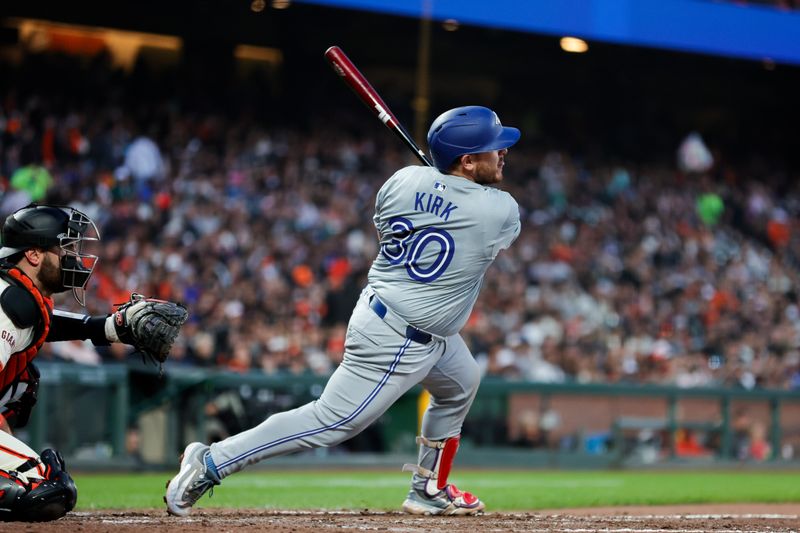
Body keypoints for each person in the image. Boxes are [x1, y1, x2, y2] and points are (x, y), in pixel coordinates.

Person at [165, 105, 521, 517]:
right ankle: (212, 461)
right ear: (468, 160)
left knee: (461, 383)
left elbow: (392, 220)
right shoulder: (500, 210)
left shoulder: (401, 181)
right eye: (494, 148)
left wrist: (437, 191)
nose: (503, 153)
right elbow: (480, 225)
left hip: (411, 321)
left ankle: (428, 488)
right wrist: (452, 195)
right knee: (332, 421)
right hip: (399, 337)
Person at [0, 204, 186, 522]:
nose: (73, 258)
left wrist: (105, 327)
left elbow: (41, 324)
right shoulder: (10, 303)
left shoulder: (20, 298)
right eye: (63, 249)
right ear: (33, 255)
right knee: (46, 487)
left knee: (22, 382)